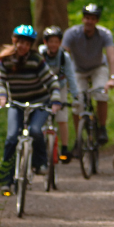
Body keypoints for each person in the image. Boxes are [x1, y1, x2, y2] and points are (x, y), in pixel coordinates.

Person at [0, 24, 62, 194]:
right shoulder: (5, 60)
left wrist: (55, 100)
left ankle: (40, 163)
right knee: (11, 138)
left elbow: (51, 82)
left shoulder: (36, 60)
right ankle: (6, 180)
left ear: (30, 45)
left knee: (35, 131)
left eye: (26, 43)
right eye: (20, 42)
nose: (22, 46)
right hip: (17, 103)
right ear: (14, 41)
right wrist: (2, 95)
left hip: (39, 103)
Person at [61, 3, 114, 145]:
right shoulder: (71, 33)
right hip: (78, 70)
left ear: (97, 21)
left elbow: (111, 57)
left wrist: (112, 78)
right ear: (82, 19)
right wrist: (62, 76)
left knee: (101, 93)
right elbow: (63, 56)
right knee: (76, 102)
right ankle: (78, 139)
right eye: (87, 18)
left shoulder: (104, 34)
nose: (89, 21)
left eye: (92, 18)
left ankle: (102, 128)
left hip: (98, 68)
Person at [38, 26, 79, 163]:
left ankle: (65, 149)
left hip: (60, 88)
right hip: (43, 88)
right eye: (51, 41)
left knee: (62, 118)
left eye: (56, 41)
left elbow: (70, 76)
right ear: (45, 42)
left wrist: (75, 95)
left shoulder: (64, 56)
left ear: (60, 43)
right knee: (40, 116)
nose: (53, 44)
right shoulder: (40, 54)